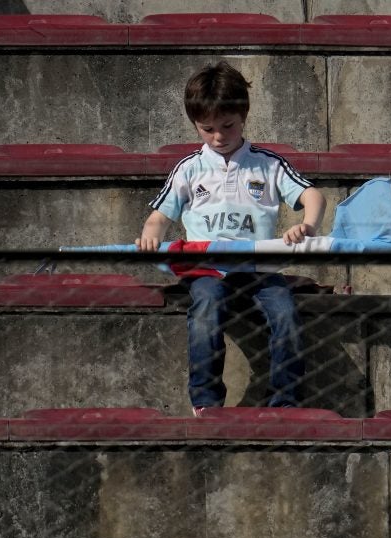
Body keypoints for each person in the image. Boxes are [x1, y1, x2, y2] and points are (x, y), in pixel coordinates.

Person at [136, 61, 326, 413]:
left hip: (258, 269)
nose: (219, 136)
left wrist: (308, 225)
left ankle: (286, 403)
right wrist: (150, 237)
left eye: (228, 126)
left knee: (285, 313)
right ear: (195, 124)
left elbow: (312, 196)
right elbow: (159, 218)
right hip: (208, 270)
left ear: (244, 116)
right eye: (207, 129)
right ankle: (206, 402)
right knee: (206, 308)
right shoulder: (189, 169)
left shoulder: (268, 164)